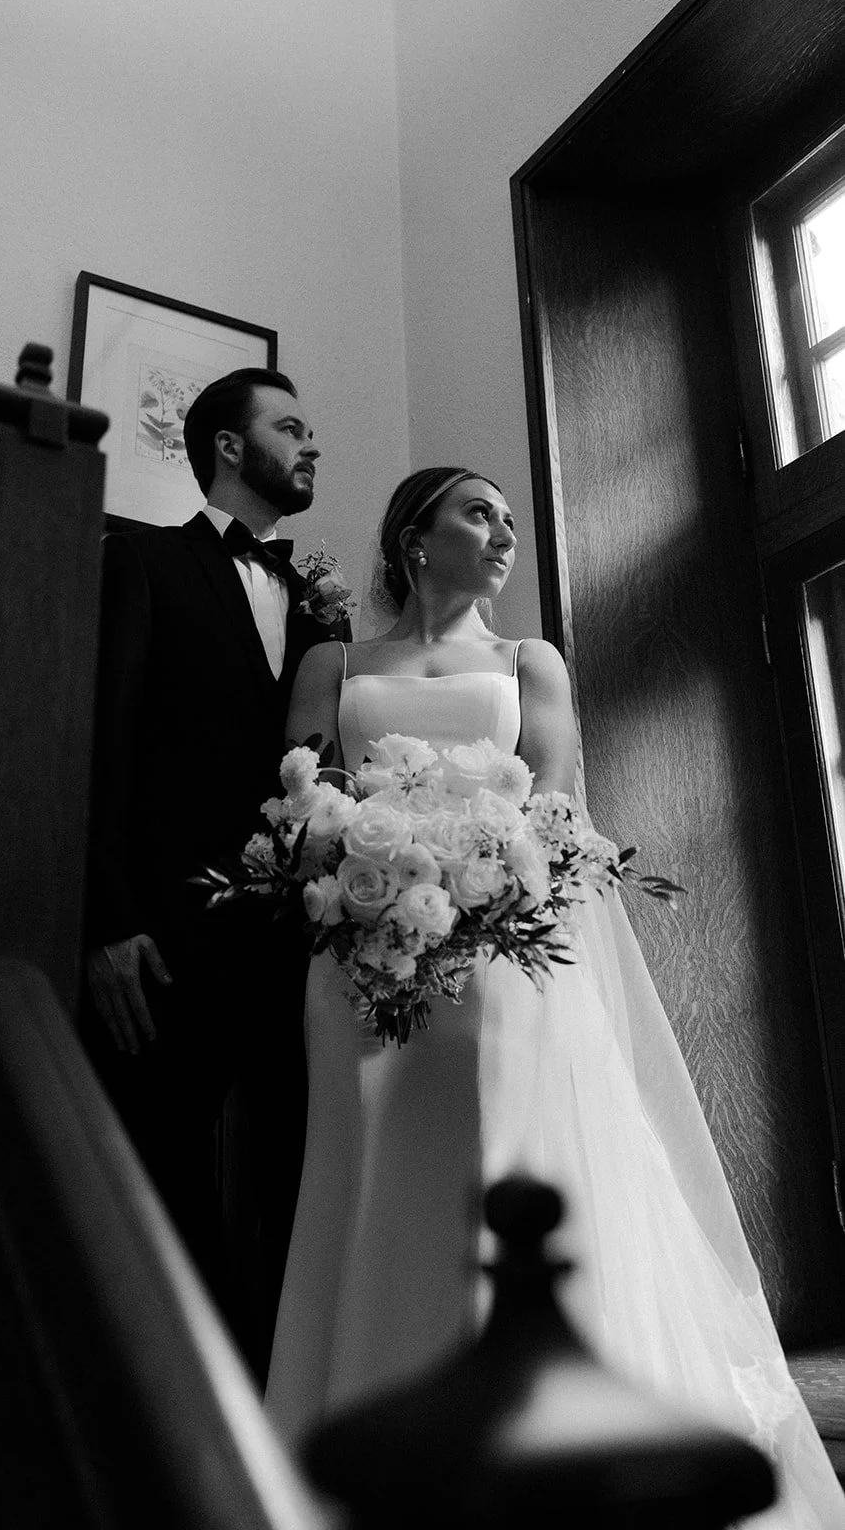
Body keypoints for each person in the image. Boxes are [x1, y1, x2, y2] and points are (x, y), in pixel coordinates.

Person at [265, 466, 845, 1526]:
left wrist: (473, 869)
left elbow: (557, 806)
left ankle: (530, 1427)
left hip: (497, 956)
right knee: (362, 1170)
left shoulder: (529, 661)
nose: (501, 536)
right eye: (476, 513)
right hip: (359, 954)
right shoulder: (330, 660)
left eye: (511, 522)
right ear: (411, 536)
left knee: (507, 1162)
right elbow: (298, 798)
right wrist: (360, 858)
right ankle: (353, 1419)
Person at [82, 367, 346, 1379]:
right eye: (291, 425)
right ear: (229, 448)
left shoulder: (321, 605)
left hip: (307, 944)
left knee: (305, 1183)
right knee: (162, 1186)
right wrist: (104, 924)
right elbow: (104, 745)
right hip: (169, 942)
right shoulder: (143, 563)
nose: (312, 441)